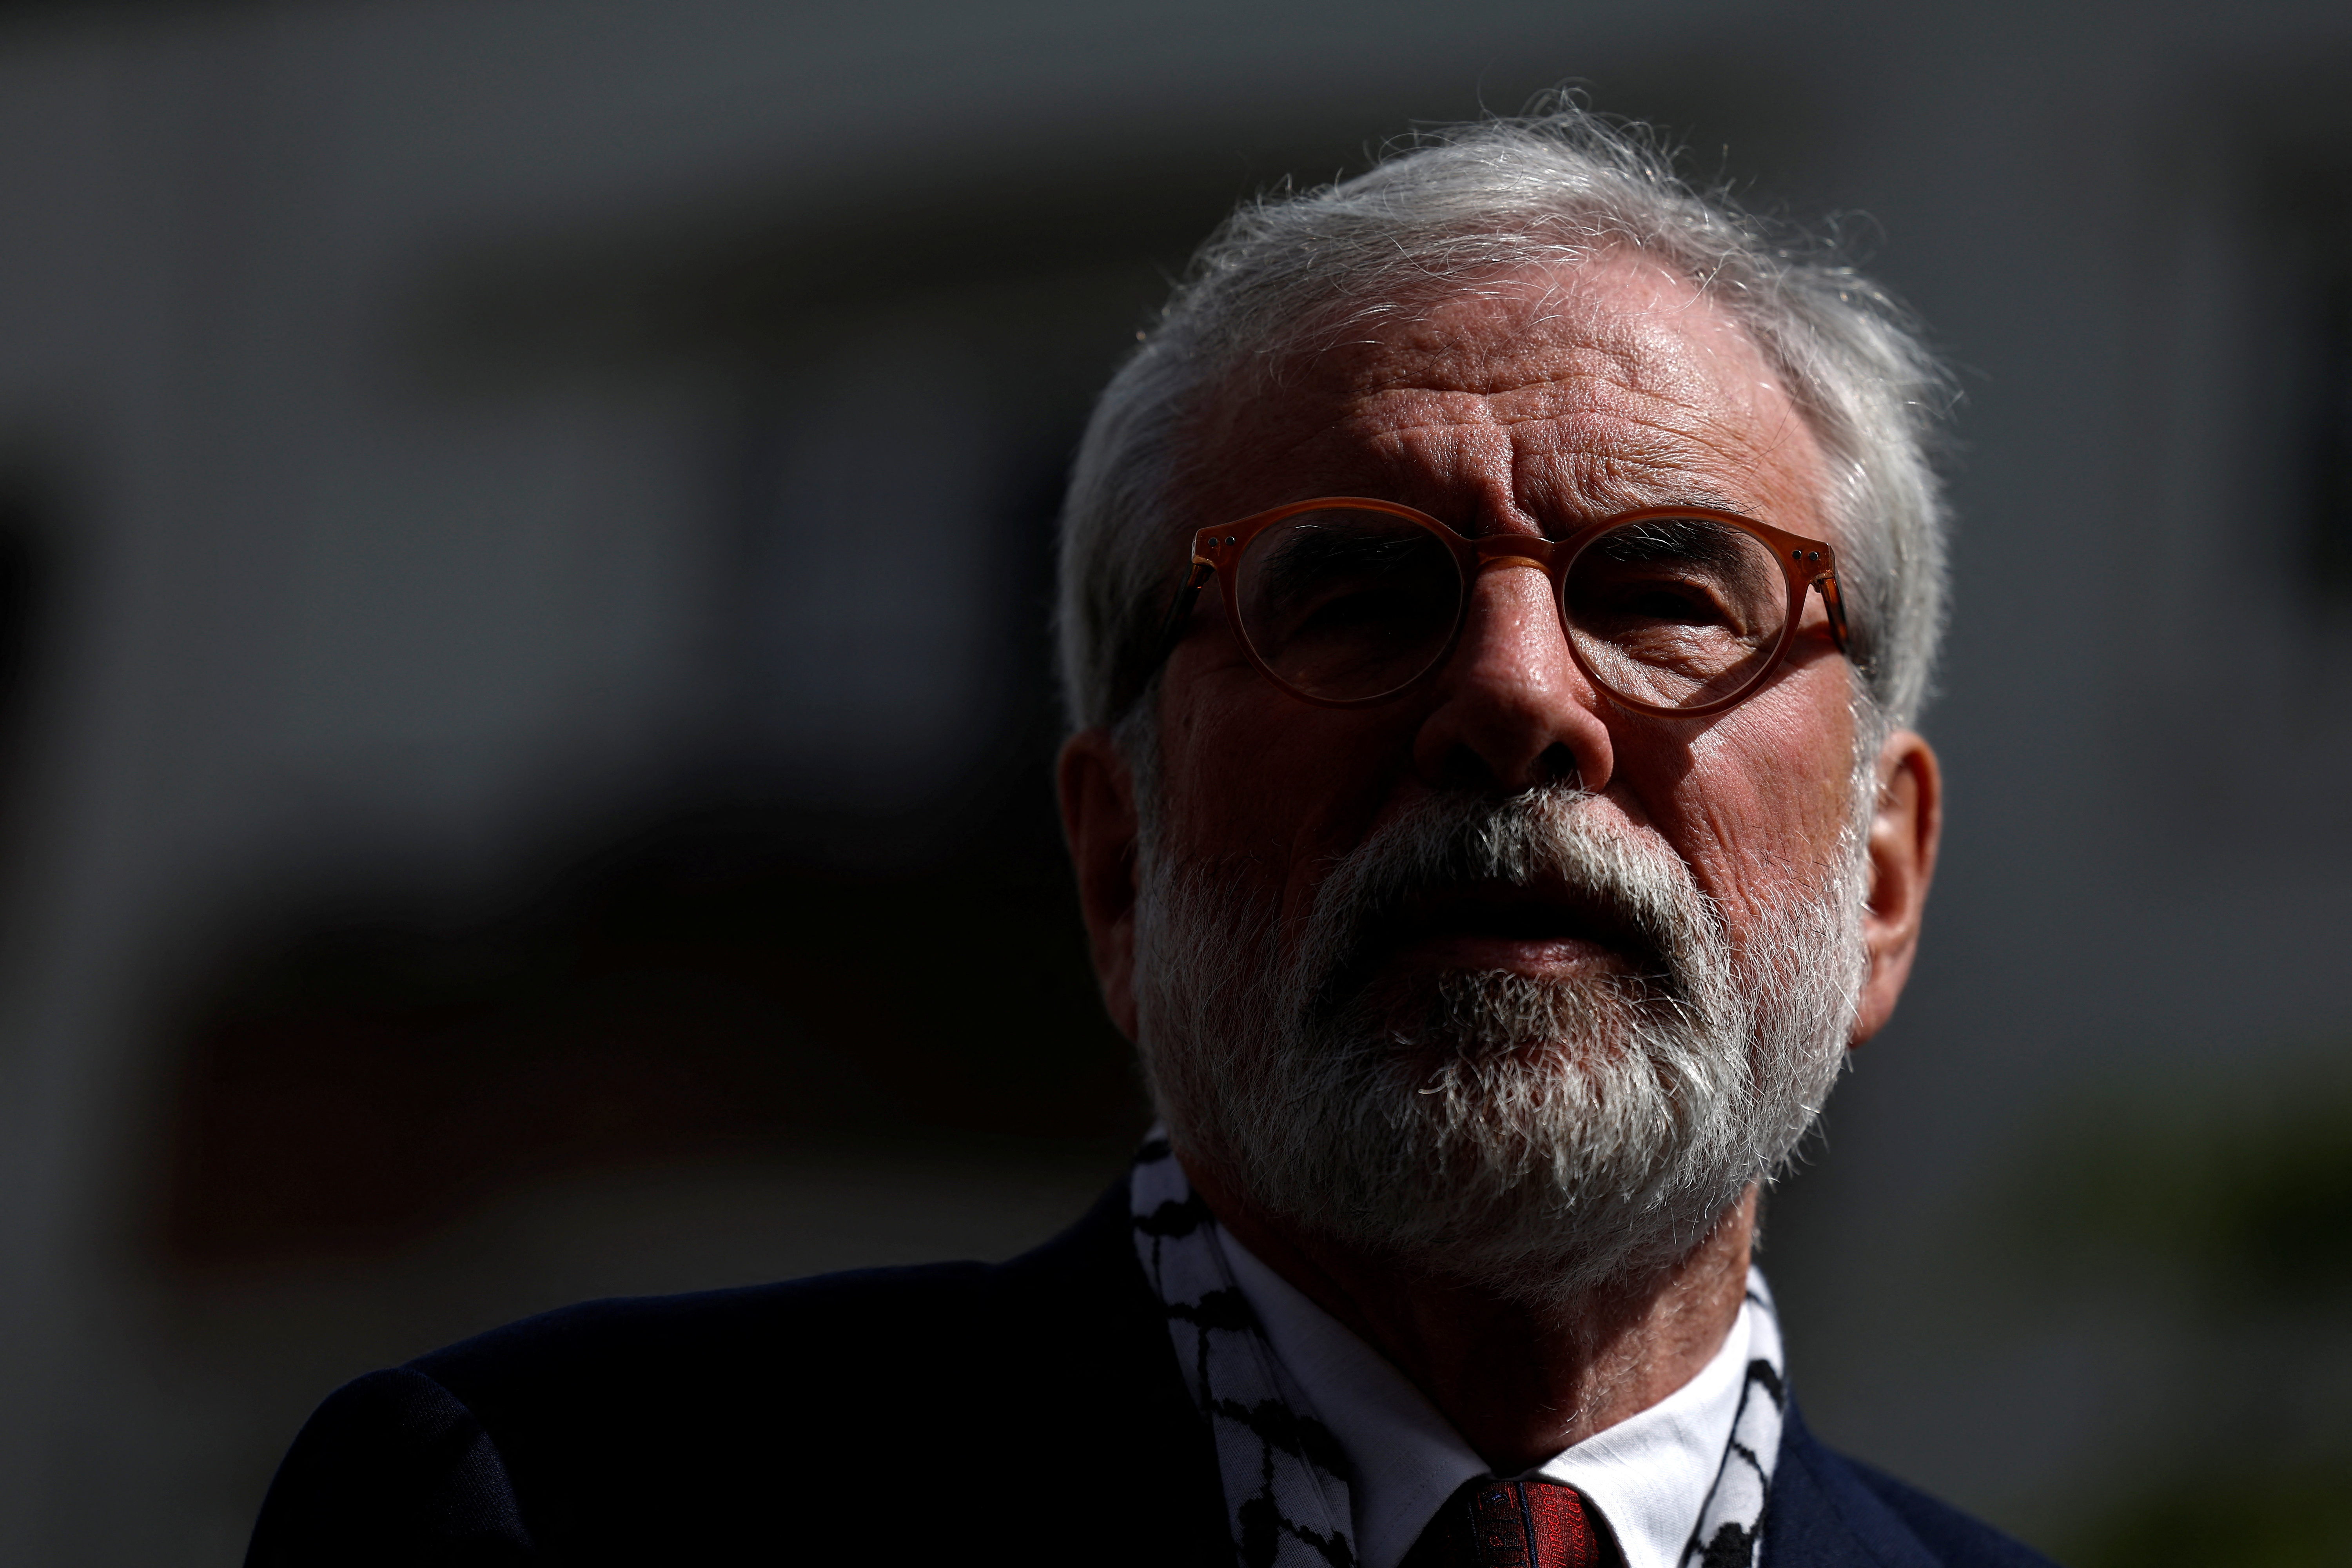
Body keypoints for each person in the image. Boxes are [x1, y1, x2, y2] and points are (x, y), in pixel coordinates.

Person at [246, 107, 2051, 1568]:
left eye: (1665, 591)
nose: (1515, 696)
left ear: (1881, 876)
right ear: (1118, 858)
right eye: (1348, 592)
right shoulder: (549, 1508)